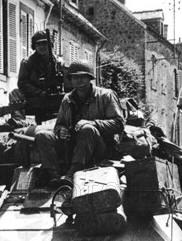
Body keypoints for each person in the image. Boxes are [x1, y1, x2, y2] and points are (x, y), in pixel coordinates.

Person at [34, 60, 125, 188]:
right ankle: (54, 176)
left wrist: (93, 124)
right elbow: (59, 124)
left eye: (83, 77)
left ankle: (72, 174)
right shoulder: (67, 99)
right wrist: (61, 130)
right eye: (75, 77)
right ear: (70, 80)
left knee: (87, 129)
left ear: (90, 78)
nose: (79, 81)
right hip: (72, 146)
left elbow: (119, 123)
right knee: (42, 135)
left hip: (99, 147)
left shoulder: (106, 96)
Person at [9, 30, 65, 122]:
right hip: (34, 96)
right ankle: (19, 121)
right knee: (15, 93)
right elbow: (22, 83)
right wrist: (39, 92)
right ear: (34, 46)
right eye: (39, 44)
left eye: (45, 43)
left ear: (50, 45)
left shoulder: (58, 63)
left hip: (55, 96)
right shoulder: (27, 63)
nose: (42, 47)